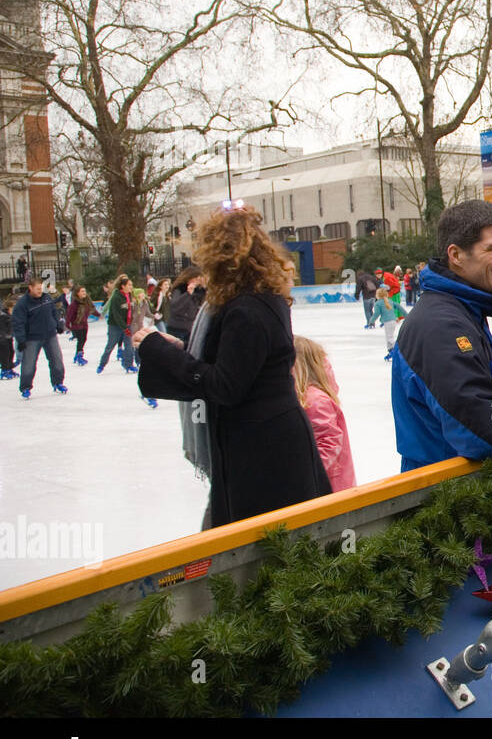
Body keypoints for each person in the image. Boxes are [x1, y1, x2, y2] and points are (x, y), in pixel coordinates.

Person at [134, 207, 331, 529]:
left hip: (264, 454)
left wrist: (158, 350)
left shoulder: (248, 309)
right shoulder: (258, 300)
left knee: (261, 553)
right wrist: (177, 351)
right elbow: (237, 365)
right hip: (267, 445)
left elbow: (225, 385)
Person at [391, 200, 492, 471]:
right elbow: (486, 431)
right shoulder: (441, 325)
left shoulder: (465, 311)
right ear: (456, 255)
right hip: (445, 494)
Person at [293, 335, 356, 493]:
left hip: (330, 487)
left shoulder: (315, 401)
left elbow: (329, 442)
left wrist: (305, 473)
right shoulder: (307, 397)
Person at [12, 273, 67, 398]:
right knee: (29, 363)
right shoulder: (23, 304)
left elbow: (54, 311)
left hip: (50, 335)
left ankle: (58, 382)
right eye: (37, 289)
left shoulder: (46, 297)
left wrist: (58, 324)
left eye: (41, 288)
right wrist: (21, 340)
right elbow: (18, 323)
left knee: (57, 360)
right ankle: (26, 387)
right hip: (32, 338)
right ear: (30, 287)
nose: (40, 291)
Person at [96, 275, 136, 374]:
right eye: (129, 285)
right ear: (123, 286)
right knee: (110, 346)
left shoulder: (129, 295)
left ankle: (128, 364)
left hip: (127, 324)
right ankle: (102, 364)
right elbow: (116, 315)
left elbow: (130, 310)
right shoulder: (116, 297)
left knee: (129, 345)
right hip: (115, 326)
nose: (131, 287)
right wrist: (124, 327)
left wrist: (130, 323)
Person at [168, 267, 206, 346]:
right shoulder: (179, 290)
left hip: (190, 328)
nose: (196, 282)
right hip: (178, 328)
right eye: (195, 279)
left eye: (198, 279)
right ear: (189, 278)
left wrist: (205, 288)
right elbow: (175, 307)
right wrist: (188, 293)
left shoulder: (199, 292)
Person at [375, 284, 407, 360]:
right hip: (392, 321)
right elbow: (399, 307)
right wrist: (406, 315)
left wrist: (371, 321)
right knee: (389, 337)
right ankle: (391, 351)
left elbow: (376, 313)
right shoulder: (390, 301)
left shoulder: (378, 303)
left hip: (389, 322)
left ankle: (396, 351)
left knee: (389, 337)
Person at [66, 285, 92, 366]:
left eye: (85, 291)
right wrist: (67, 324)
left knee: (84, 339)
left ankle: (77, 355)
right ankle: (79, 357)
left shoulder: (86, 302)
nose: (84, 293)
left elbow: (92, 309)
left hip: (84, 324)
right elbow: (69, 315)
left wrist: (99, 315)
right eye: (82, 291)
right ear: (77, 293)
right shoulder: (74, 304)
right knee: (81, 340)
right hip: (76, 324)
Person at [0, 294, 15, 380]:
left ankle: (9, 368)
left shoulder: (10, 315)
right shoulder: (3, 316)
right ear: (10, 307)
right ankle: (4, 370)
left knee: (11, 352)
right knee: (5, 354)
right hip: (2, 338)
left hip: (8, 337)